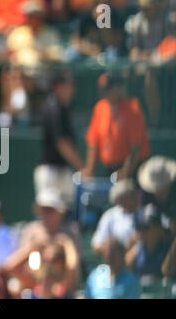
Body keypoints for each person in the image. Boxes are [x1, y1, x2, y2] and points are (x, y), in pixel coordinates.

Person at [82, 73, 151, 179]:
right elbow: (93, 143)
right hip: (109, 169)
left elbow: (136, 147)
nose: (105, 93)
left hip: (132, 170)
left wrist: (125, 172)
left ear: (118, 88)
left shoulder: (132, 108)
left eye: (109, 89)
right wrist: (90, 170)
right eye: (103, 90)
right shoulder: (100, 108)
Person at [34, 72, 85, 209]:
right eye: (68, 86)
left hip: (60, 170)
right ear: (58, 87)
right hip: (51, 172)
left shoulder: (62, 107)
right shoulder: (54, 107)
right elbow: (62, 142)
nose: (72, 89)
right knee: (49, 212)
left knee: (65, 213)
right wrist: (81, 166)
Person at [92, 179, 140, 255]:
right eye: (123, 198)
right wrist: (118, 249)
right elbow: (97, 246)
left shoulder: (147, 212)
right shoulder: (110, 215)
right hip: (116, 262)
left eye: (129, 196)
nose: (127, 201)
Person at [125, 204, 172, 279]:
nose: (142, 232)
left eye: (146, 227)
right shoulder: (139, 249)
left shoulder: (169, 249)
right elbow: (125, 267)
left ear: (159, 228)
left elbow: (167, 271)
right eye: (140, 227)